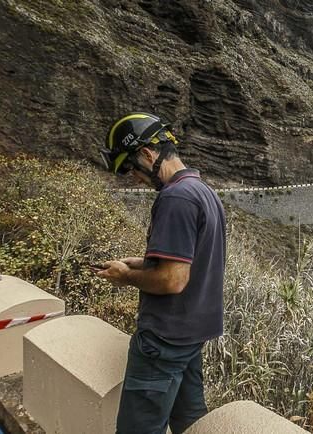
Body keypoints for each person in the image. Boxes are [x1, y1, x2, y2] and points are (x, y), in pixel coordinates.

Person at [96, 112, 226, 434]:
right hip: (190, 336)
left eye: (130, 168)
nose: (133, 178)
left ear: (147, 154)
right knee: (191, 423)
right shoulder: (204, 192)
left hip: (163, 341)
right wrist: (140, 263)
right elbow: (191, 264)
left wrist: (125, 277)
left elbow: (172, 280)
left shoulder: (175, 198)